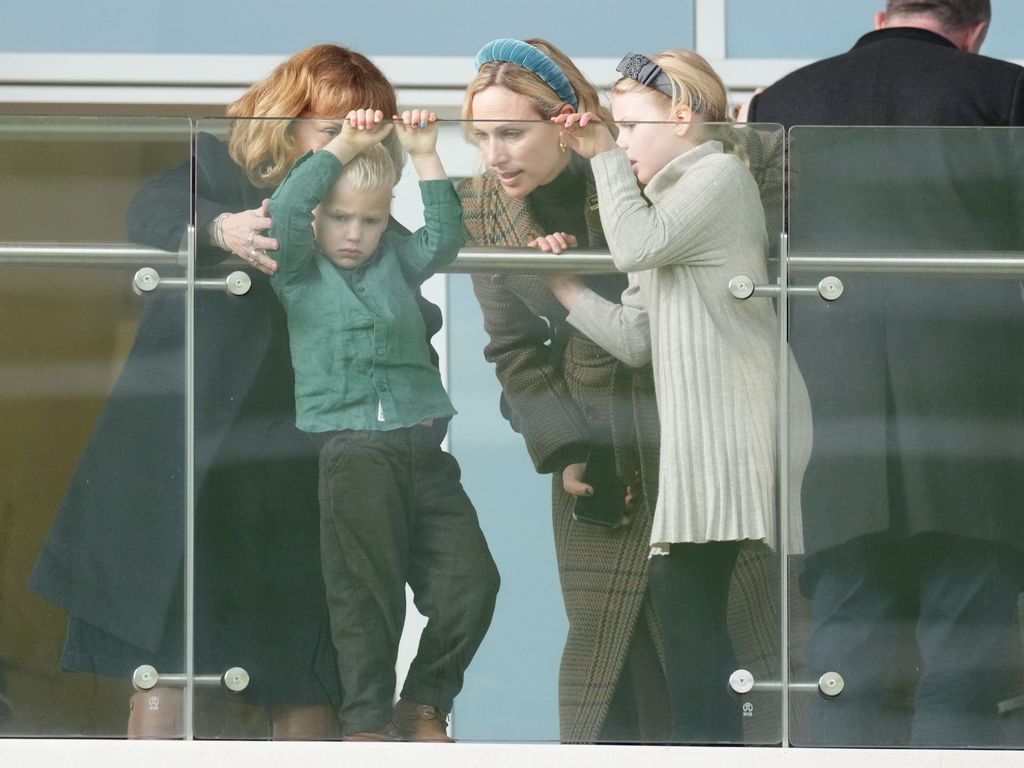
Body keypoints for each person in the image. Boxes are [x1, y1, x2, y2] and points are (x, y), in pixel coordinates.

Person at [28, 44, 442, 739]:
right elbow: (150, 212)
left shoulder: (372, 227)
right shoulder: (220, 175)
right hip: (194, 465)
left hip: (304, 474)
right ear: (287, 121)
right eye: (329, 126)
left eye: (364, 129)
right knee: (169, 664)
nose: (347, 143)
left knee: (307, 668)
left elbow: (413, 336)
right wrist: (220, 230)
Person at [745, 0, 1024, 747]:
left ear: (881, 13)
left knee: (848, 674)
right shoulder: (1006, 92)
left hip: (837, 424)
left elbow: (759, 264)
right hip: (978, 427)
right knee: (963, 676)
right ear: (978, 27)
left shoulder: (783, 104)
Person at [544, 49, 812, 745]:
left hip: (736, 417)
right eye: (620, 129)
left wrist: (600, 152)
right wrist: (564, 290)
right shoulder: (668, 199)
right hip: (706, 427)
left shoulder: (716, 174)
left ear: (685, 118)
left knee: (688, 597)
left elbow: (635, 246)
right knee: (692, 603)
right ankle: (715, 748)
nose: (624, 140)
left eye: (633, 125)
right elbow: (637, 336)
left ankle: (714, 750)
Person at [459, 37, 668, 744]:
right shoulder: (485, 207)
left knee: (686, 628)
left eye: (512, 133)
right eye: (482, 135)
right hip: (589, 431)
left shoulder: (629, 171)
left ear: (564, 120)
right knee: (605, 640)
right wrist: (565, 447)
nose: (496, 154)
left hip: (677, 411)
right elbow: (513, 347)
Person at [267, 107, 499, 742]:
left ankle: (422, 704)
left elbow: (443, 240)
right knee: (366, 597)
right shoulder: (298, 271)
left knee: (472, 582)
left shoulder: (397, 259)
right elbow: (287, 210)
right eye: (339, 217)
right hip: (353, 451)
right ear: (318, 218)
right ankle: (366, 723)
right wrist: (343, 145)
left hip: (424, 448)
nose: (353, 233)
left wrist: (425, 154)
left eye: (369, 220)